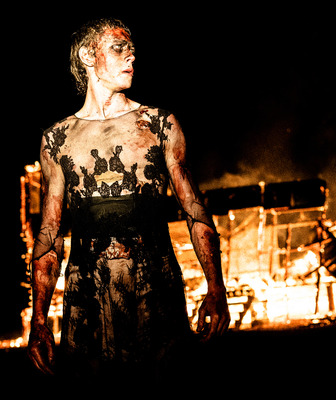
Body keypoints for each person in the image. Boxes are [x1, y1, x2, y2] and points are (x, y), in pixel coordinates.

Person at [27, 18, 230, 379]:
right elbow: (50, 232)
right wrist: (39, 320)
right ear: (88, 56)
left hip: (157, 295)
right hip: (87, 302)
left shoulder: (159, 124)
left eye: (132, 50)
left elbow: (194, 210)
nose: (131, 57)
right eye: (119, 48)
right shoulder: (57, 139)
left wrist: (217, 286)